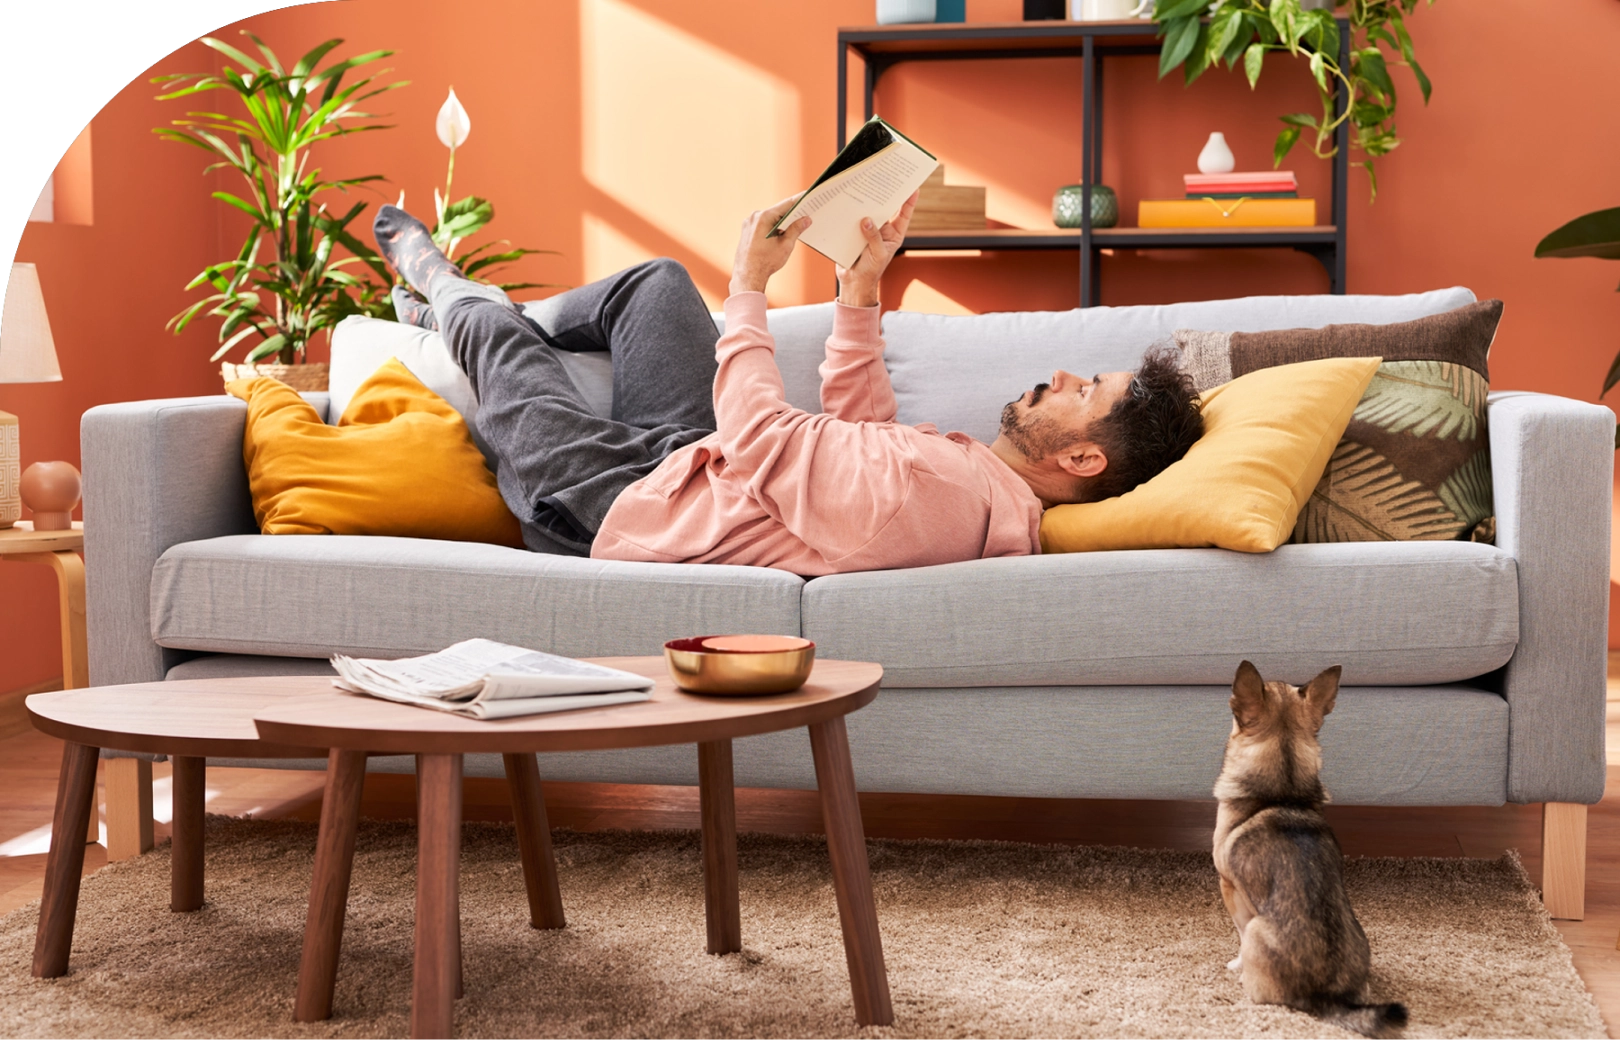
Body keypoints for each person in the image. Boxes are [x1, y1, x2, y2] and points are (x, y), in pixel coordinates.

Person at [371, 193, 1203, 574]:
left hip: (620, 502)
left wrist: (749, 284)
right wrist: (861, 288)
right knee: (656, 283)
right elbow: (860, 435)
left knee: (489, 336)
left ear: (1086, 462)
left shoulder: (938, 488)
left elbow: (764, 438)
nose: (1059, 375)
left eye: (1084, 387)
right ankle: (485, 314)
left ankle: (441, 288)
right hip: (690, 463)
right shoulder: (968, 482)